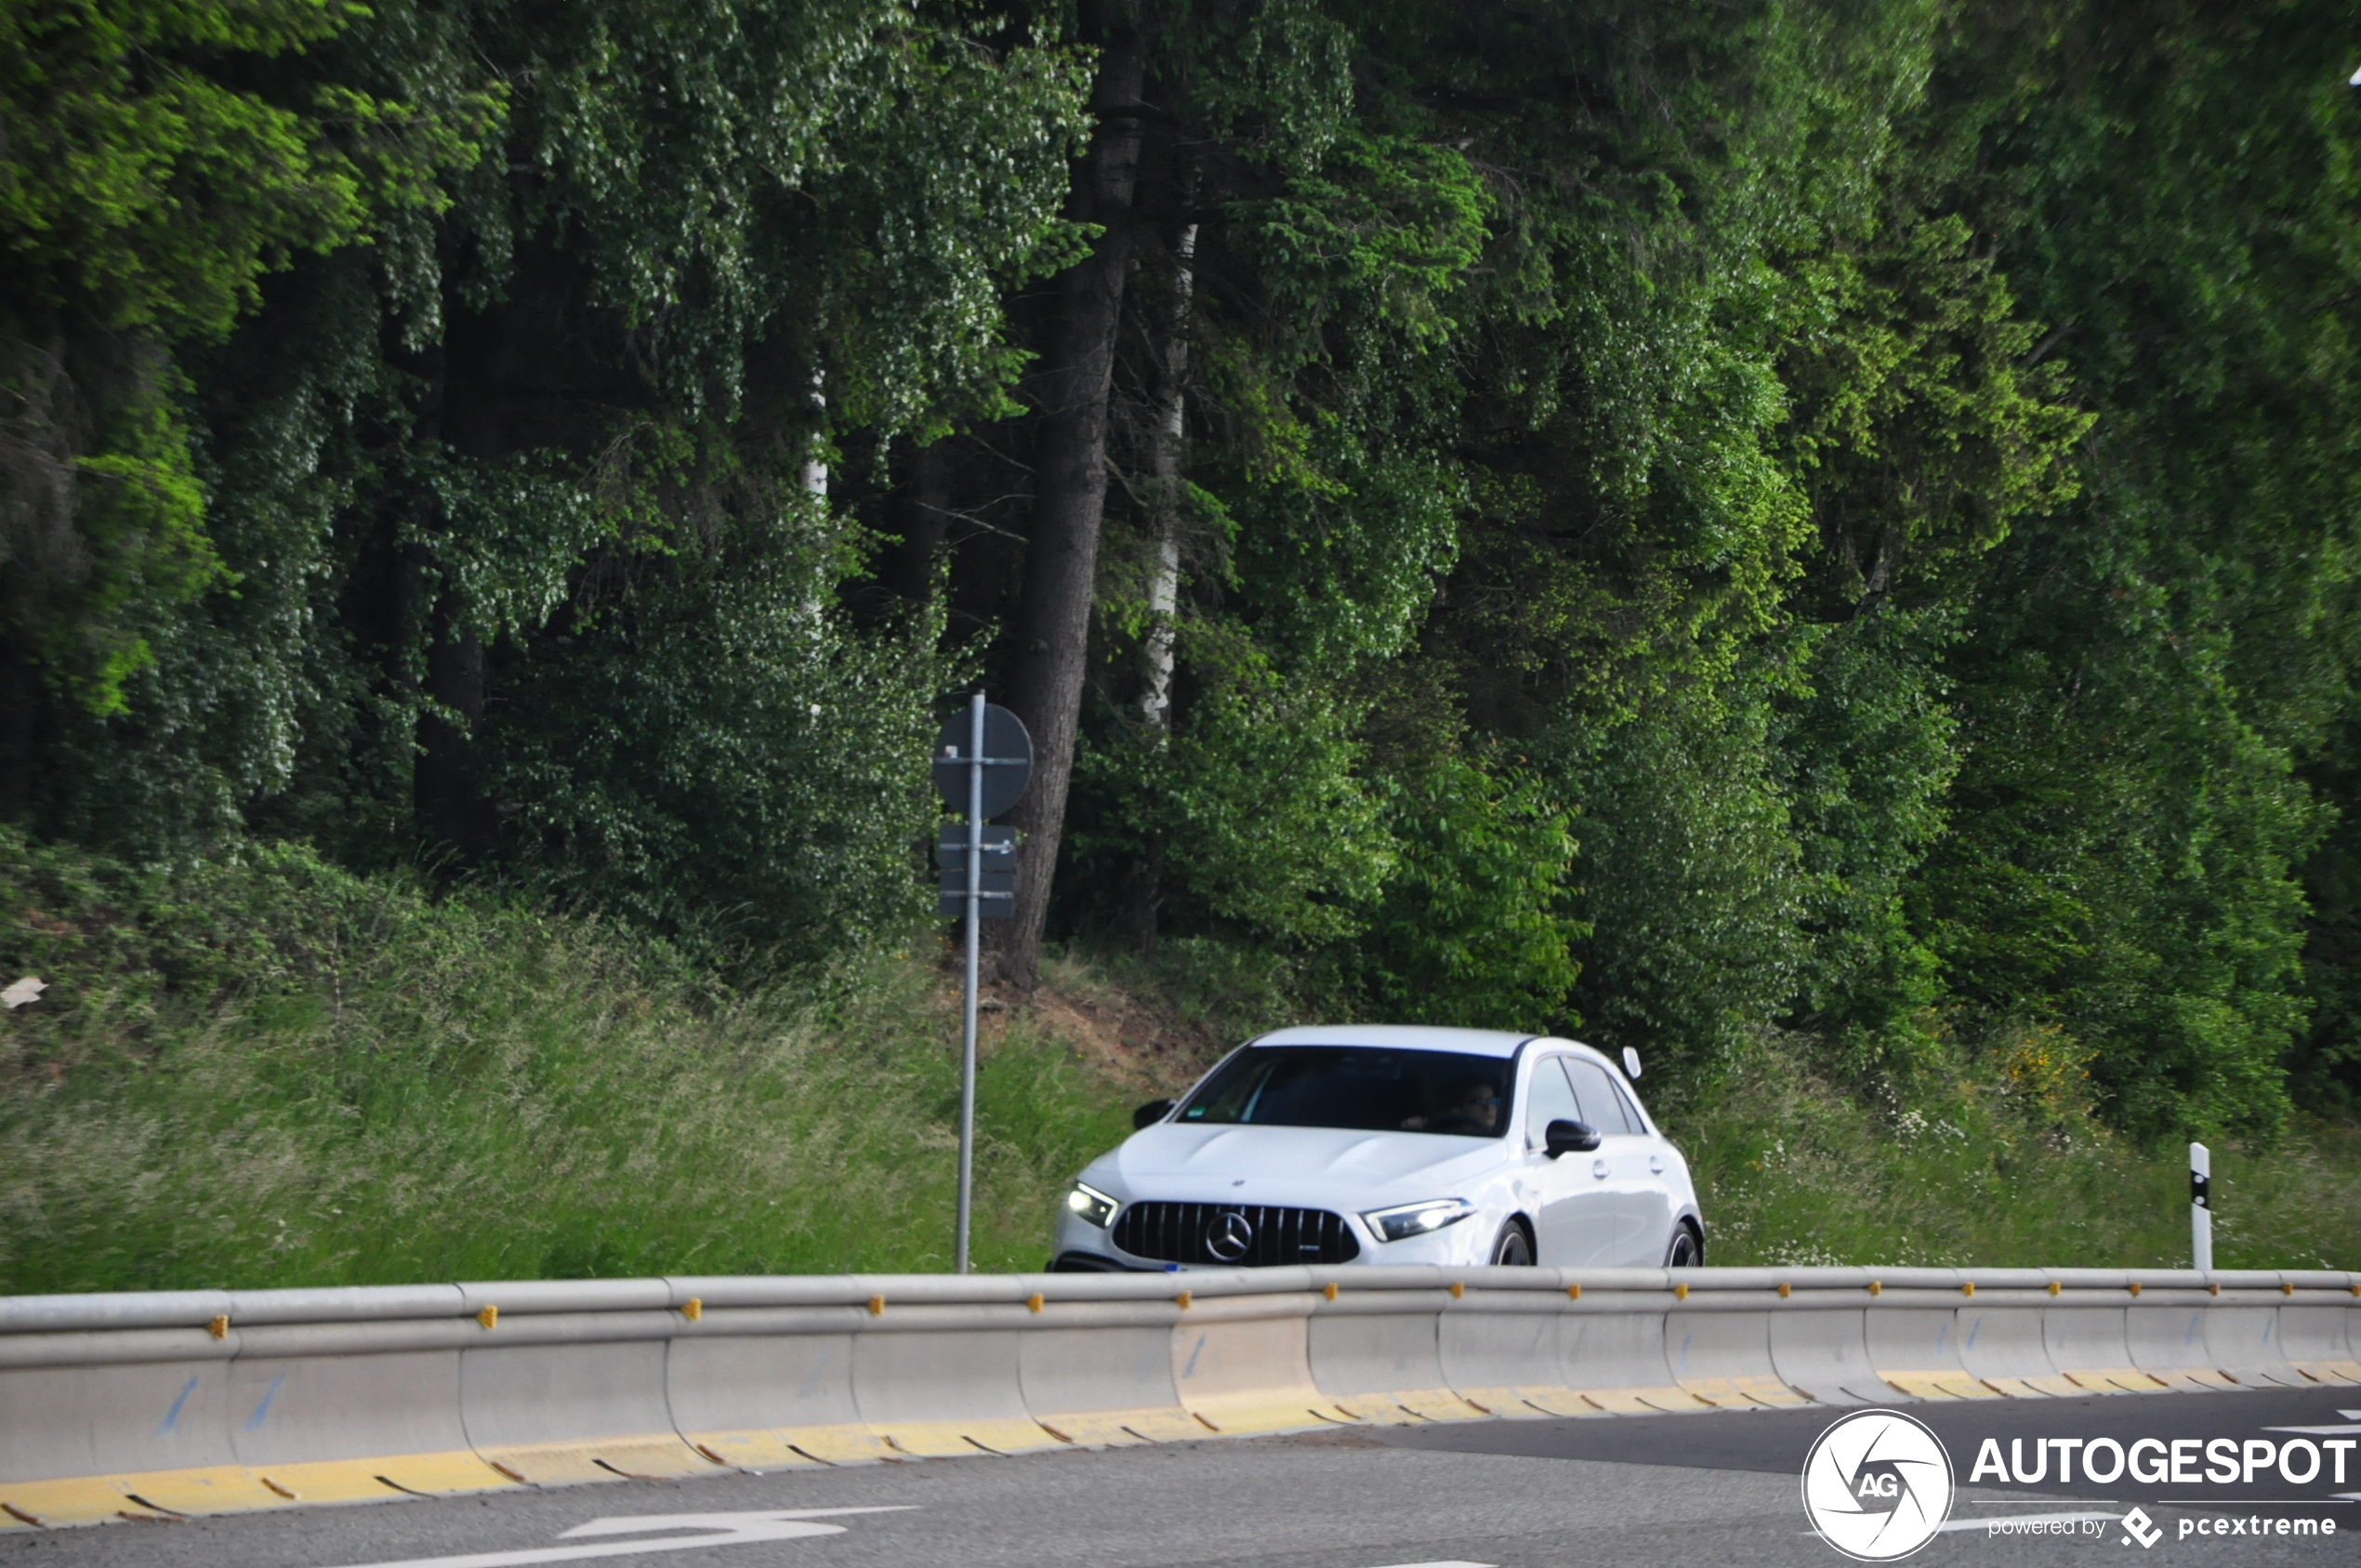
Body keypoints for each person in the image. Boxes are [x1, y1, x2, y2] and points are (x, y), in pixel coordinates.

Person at [1404, 1078, 1499, 1135]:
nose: (1489, 1108)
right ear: (1457, 1110)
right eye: (1479, 1102)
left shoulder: (1505, 1135)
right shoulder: (1438, 1135)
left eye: (1492, 1101)